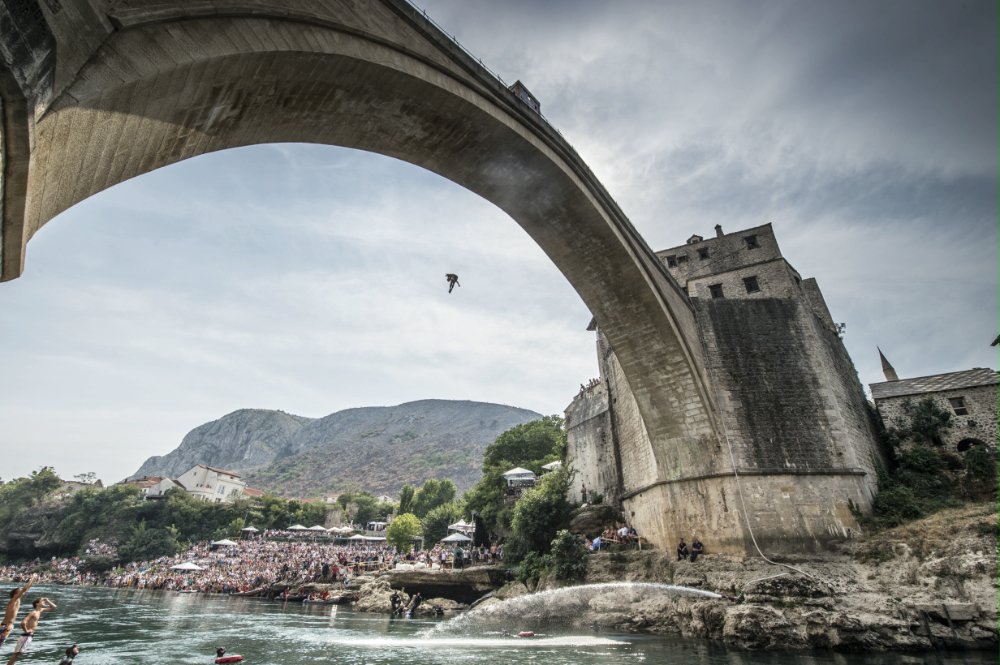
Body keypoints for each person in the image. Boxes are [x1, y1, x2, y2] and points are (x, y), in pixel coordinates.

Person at [7, 597, 57, 665]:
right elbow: (23, 622)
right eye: (42, 601)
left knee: (17, 655)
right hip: (26, 636)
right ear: (37, 604)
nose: (44, 602)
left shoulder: (40, 610)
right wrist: (26, 631)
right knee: (16, 655)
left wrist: (47, 600)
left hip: (28, 636)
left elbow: (54, 607)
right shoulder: (33, 613)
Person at [1, 575, 36, 648]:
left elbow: (26, 589)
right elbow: (24, 589)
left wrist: (33, 580)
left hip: (7, 626)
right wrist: (32, 577)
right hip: (5, 626)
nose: (22, 592)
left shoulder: (17, 600)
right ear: (15, 594)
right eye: (19, 592)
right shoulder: (13, 600)